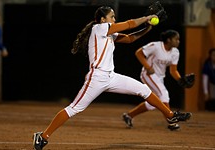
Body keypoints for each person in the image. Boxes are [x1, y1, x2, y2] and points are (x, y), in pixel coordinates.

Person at [32, 6, 191, 150]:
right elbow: (130, 24)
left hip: (111, 76)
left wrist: (148, 27)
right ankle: (43, 137)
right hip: (97, 77)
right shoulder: (99, 28)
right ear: (103, 19)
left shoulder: (109, 34)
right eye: (112, 16)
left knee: (143, 89)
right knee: (74, 108)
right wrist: (147, 17)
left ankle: (170, 116)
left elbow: (130, 38)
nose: (114, 19)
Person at [122, 30, 190, 131]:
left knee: (153, 103)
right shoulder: (156, 46)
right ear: (168, 40)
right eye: (176, 39)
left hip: (159, 77)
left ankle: (129, 115)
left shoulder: (175, 52)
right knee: (164, 94)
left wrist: (180, 79)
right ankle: (172, 121)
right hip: (148, 74)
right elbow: (139, 53)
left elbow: (173, 70)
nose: (178, 41)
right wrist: (148, 67)